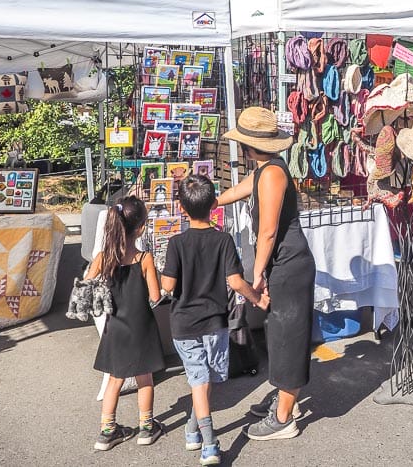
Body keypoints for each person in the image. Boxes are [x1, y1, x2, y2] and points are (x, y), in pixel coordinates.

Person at [218, 107, 316, 441]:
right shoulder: (264, 168)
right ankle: (285, 398)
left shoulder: (273, 173)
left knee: (288, 336)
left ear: (250, 146)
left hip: (288, 263)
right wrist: (202, 202)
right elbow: (237, 192)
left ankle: (285, 417)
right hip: (282, 263)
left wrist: (257, 274)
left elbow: (269, 232)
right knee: (278, 333)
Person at [160, 175, 269, 466]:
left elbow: (168, 286)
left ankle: (193, 429)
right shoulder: (223, 240)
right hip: (215, 323)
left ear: (182, 208)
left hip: (184, 324)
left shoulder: (176, 243)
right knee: (204, 379)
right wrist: (257, 298)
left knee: (201, 380)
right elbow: (235, 282)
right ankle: (209, 444)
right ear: (213, 205)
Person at [84, 196, 165, 451]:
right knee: (145, 379)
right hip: (141, 327)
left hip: (115, 327)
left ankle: (107, 432)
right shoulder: (145, 259)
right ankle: (147, 427)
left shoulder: (103, 258)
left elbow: (87, 281)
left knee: (114, 381)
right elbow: (155, 296)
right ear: (141, 227)